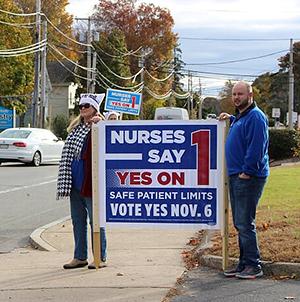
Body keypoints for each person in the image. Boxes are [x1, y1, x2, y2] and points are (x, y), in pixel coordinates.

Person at [219, 81, 269, 279]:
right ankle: (243, 264)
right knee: (240, 222)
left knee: (245, 222)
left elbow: (257, 147)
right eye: (234, 94)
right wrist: (231, 118)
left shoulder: (256, 117)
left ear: (250, 95)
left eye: (240, 94)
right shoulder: (242, 117)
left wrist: (247, 171)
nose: (236, 97)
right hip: (237, 176)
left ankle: (253, 265)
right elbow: (242, 131)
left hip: (248, 177)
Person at [57, 93, 107, 269]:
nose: (83, 108)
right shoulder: (76, 128)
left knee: (96, 221)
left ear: (94, 107)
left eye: (86, 105)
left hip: (91, 181)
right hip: (74, 181)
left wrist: (100, 123)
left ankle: (100, 257)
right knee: (78, 221)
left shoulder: (100, 125)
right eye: (81, 106)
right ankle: (80, 256)